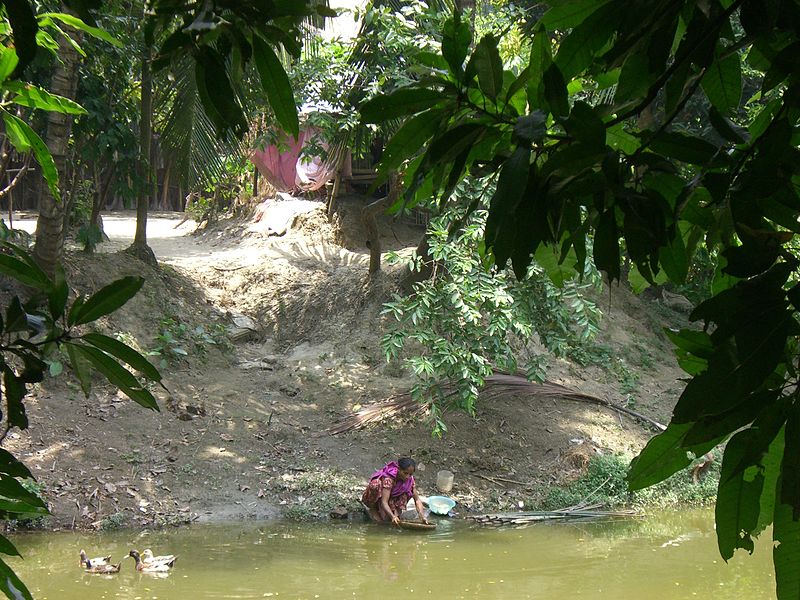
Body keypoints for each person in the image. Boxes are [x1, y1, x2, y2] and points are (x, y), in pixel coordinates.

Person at [361, 457, 428, 526]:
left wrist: (422, 516)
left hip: (393, 498)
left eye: (410, 474)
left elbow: (417, 500)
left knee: (387, 519)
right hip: (381, 496)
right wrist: (392, 516)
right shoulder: (389, 479)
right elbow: (384, 502)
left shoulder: (410, 480)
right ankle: (373, 508)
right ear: (398, 469)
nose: (407, 476)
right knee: (375, 485)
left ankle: (396, 511)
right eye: (405, 473)